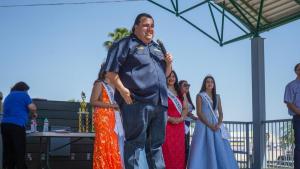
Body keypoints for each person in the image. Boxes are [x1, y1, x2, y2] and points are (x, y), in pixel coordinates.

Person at [103, 13, 173, 169]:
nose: (150, 29)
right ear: (135, 27)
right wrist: (122, 90)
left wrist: (168, 63)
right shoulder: (125, 43)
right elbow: (110, 72)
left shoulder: (156, 48)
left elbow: (165, 74)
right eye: (146, 25)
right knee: (135, 145)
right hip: (136, 102)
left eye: (152, 26)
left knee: (155, 146)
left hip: (160, 103)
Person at [187, 75, 238, 169]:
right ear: (204, 84)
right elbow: (199, 112)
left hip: (215, 125)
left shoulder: (217, 97)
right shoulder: (200, 96)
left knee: (219, 148)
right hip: (203, 124)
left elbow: (221, 113)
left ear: (214, 84)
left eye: (211, 82)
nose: (209, 83)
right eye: (207, 82)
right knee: (201, 147)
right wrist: (210, 125)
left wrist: (218, 124)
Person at [90, 67, 124, 169]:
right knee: (104, 146)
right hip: (103, 120)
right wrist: (111, 105)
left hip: (115, 119)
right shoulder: (99, 83)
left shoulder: (117, 86)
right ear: (105, 71)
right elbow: (93, 101)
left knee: (114, 146)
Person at [1, 81, 37, 169]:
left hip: (4, 125)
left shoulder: (8, 96)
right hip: (16, 126)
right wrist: (34, 113)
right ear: (23, 89)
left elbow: (14, 109)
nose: (27, 92)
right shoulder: (24, 95)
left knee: (8, 152)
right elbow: (32, 107)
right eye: (27, 90)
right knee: (19, 152)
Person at [162, 71, 187, 169]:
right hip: (166, 124)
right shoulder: (162, 90)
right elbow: (159, 108)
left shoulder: (181, 92)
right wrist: (169, 118)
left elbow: (185, 108)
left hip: (179, 126)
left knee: (179, 151)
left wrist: (181, 119)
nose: (171, 78)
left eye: (173, 76)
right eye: (169, 76)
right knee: (167, 151)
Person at [284, 63, 300, 169]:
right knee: (299, 145)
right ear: (296, 71)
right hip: (298, 119)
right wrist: (299, 111)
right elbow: (288, 102)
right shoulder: (291, 85)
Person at [178, 80, 197, 164]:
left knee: (186, 148)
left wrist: (195, 118)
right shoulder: (177, 97)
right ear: (179, 87)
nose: (187, 87)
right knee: (181, 147)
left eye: (188, 85)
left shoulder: (187, 98)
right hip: (180, 124)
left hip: (187, 125)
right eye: (185, 85)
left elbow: (188, 112)